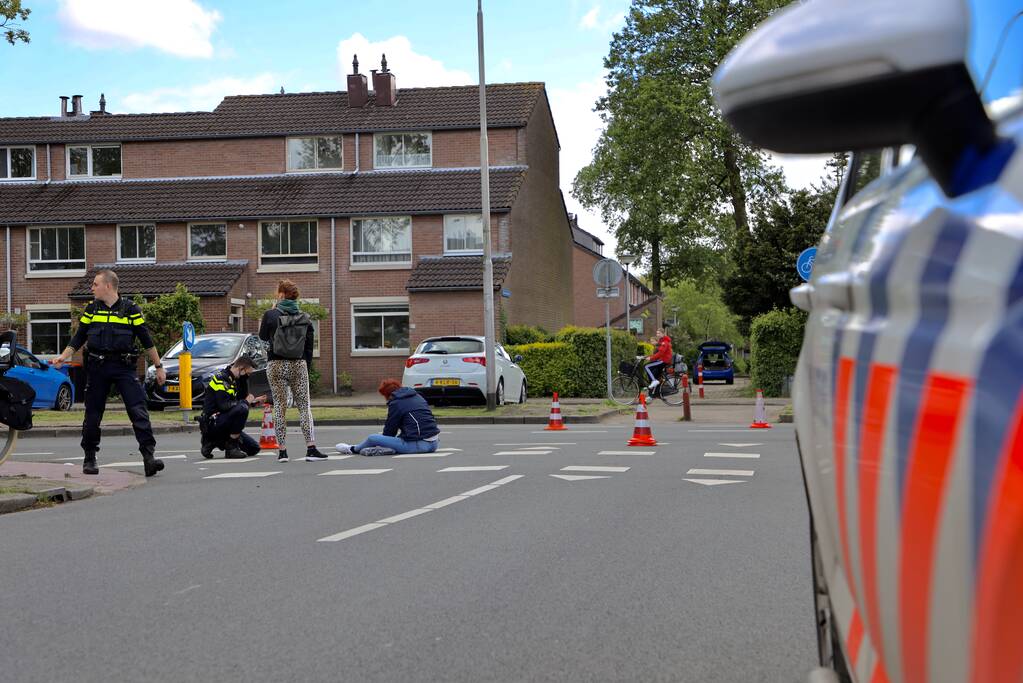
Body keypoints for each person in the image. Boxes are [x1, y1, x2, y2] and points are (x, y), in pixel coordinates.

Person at [51, 269, 167, 477]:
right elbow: (78, 338)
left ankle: (148, 458)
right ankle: (89, 458)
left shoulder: (131, 309)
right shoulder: (92, 310)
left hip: (124, 368)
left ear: (108, 286)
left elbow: (146, 340)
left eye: (95, 284)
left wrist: (159, 367)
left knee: (138, 410)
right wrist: (63, 356)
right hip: (97, 368)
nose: (92, 288)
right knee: (93, 414)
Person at [258, 279, 326, 462]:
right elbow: (309, 346)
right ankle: (311, 448)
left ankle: (282, 451)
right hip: (298, 364)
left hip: (276, 365)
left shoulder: (270, 315)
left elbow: (263, 340)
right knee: (304, 407)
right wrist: (306, 365)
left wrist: (272, 352)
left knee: (279, 407)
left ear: (281, 294)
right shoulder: (304, 318)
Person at [334, 379, 440, 455]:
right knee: (395, 439)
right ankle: (390, 449)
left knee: (373, 438)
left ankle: (352, 449)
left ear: (387, 394)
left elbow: (390, 429)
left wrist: (383, 440)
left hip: (419, 444)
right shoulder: (417, 396)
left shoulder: (396, 402)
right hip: (434, 443)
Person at [200, 355, 266, 459]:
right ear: (241, 369)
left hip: (225, 420)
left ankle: (215, 441)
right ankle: (229, 447)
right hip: (214, 422)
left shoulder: (235, 379)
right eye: (247, 373)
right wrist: (246, 402)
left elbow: (236, 401)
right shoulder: (221, 379)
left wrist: (253, 402)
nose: (248, 376)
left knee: (254, 448)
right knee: (242, 408)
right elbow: (224, 405)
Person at [645, 328, 673, 396]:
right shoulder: (662, 341)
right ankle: (653, 393)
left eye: (659, 333)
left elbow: (660, 353)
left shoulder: (664, 342)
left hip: (664, 360)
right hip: (662, 359)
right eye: (657, 333)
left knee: (646, 366)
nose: (657, 335)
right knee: (654, 372)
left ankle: (654, 381)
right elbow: (657, 353)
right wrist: (647, 357)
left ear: (663, 333)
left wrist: (651, 358)